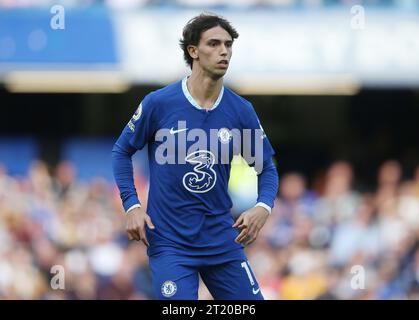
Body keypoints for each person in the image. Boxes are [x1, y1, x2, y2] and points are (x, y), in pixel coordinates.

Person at [112, 13, 278, 300]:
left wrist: (263, 206)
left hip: (222, 241)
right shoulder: (159, 104)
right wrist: (132, 205)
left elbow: (267, 169)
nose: (223, 51)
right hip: (170, 243)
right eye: (213, 44)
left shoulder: (240, 111)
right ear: (193, 51)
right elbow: (121, 151)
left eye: (228, 45)